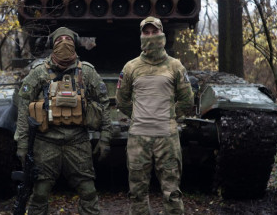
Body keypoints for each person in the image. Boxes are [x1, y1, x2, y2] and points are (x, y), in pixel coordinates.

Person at [14, 27, 112, 215]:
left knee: (89, 191)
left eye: (68, 39)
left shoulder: (87, 72)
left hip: (78, 141)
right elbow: (23, 105)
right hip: (46, 142)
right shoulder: (39, 72)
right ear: (52, 45)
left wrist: (106, 136)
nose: (64, 42)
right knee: (40, 193)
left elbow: (103, 102)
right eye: (60, 40)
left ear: (75, 44)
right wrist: (23, 143)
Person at [116, 16, 194, 215]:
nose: (150, 36)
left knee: (172, 193)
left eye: (154, 32)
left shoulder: (175, 66)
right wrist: (140, 116)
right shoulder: (131, 67)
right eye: (146, 32)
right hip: (138, 139)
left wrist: (167, 116)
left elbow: (187, 100)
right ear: (141, 35)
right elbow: (122, 100)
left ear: (162, 34)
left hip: (166, 139)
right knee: (137, 193)